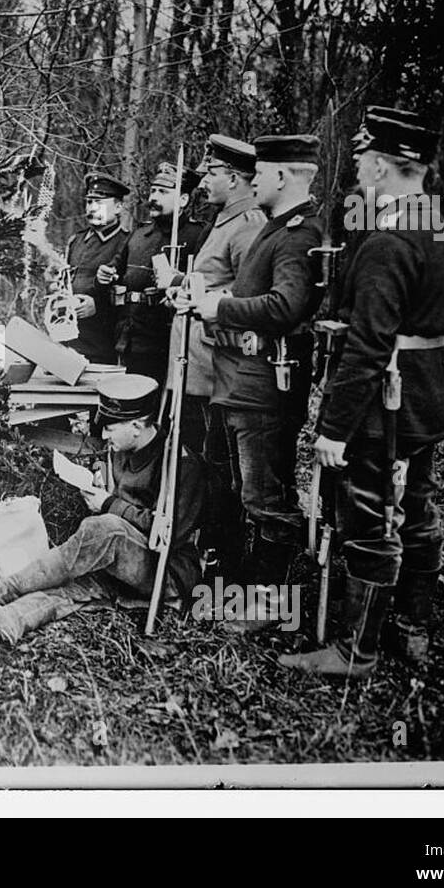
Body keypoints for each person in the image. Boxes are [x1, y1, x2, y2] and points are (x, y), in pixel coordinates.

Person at [279, 109, 444, 677]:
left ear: (382, 165)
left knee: (370, 517)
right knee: (415, 508)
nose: (357, 169)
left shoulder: (387, 240)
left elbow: (369, 344)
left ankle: (354, 651)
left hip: (387, 402)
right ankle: (412, 630)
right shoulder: (439, 228)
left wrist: (334, 428)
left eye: (362, 160)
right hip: (426, 398)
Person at [0, 374, 204, 643]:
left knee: (104, 529)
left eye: (110, 429)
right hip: (121, 564)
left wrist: (109, 504)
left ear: (136, 426)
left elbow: (169, 534)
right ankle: (9, 620)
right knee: (68, 589)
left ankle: (2, 591)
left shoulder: (180, 464)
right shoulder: (122, 449)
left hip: (166, 572)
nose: (103, 435)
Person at [190, 134, 324, 630]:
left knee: (267, 500)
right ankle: (249, 588)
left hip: (266, 386)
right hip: (245, 382)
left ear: (284, 176)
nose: (256, 180)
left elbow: (287, 306)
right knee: (251, 493)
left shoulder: (296, 234)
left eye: (262, 173)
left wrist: (219, 306)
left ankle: (274, 606)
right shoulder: (278, 229)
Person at [161, 135, 266, 565]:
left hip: (216, 367)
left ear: (237, 179)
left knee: (220, 468)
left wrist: (196, 297)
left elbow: (248, 298)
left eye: (211, 173)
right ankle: (200, 542)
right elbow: (208, 283)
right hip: (194, 364)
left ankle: (223, 554)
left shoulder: (249, 225)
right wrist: (179, 287)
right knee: (198, 458)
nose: (203, 180)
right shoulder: (223, 220)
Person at [115, 163, 187, 383]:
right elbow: (114, 271)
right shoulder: (138, 235)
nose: (154, 197)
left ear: (183, 200)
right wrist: (105, 276)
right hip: (132, 339)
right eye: (153, 191)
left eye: (163, 192)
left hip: (171, 341)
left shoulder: (196, 235)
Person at [63, 172, 132, 365]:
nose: (91, 209)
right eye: (89, 202)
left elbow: (127, 295)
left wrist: (99, 306)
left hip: (102, 345)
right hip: (66, 340)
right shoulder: (76, 241)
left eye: (99, 203)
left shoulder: (127, 242)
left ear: (118, 207)